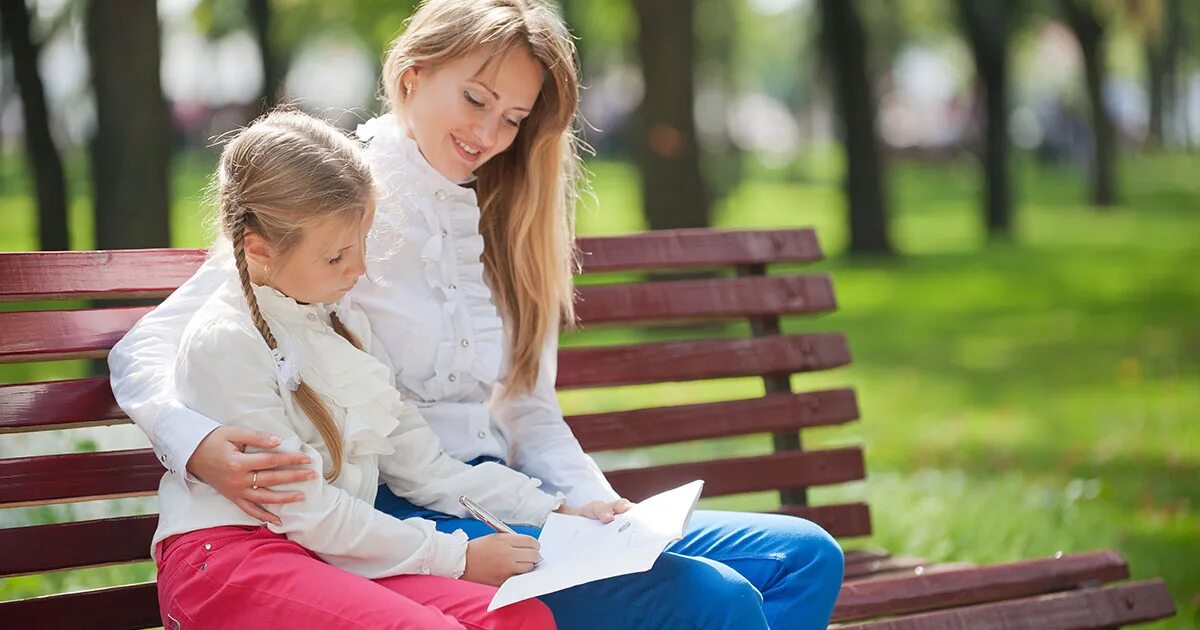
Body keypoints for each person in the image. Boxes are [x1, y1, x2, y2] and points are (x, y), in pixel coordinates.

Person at [110, 1, 844, 628]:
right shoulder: (337, 203)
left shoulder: (506, 210)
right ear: (413, 74)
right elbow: (154, 344)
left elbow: (528, 407)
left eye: (514, 118)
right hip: (400, 509)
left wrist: (591, 506)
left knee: (802, 557)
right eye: (476, 99)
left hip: (503, 494)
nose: (490, 135)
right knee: (712, 599)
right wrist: (196, 441)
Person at [145, 108, 554, 629]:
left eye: (361, 243)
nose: (358, 269)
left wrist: (552, 510)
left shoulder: (345, 320)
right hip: (229, 561)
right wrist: (458, 557)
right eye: (337, 256)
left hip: (324, 553)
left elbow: (422, 464)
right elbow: (304, 508)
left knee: (519, 617)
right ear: (259, 250)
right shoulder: (225, 340)